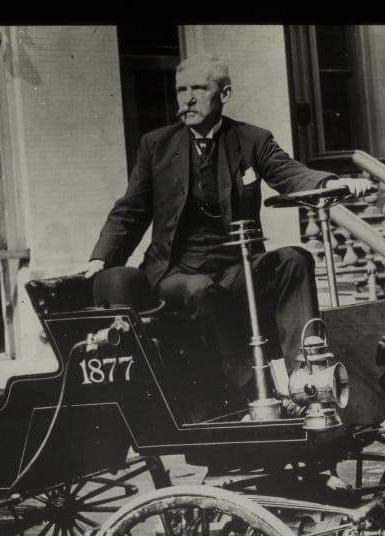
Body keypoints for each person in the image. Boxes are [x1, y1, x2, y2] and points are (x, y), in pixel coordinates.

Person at [84, 54, 370, 389]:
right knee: (200, 289)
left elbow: (289, 173)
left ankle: (305, 375)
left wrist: (327, 183)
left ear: (224, 94)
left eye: (199, 89)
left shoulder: (252, 140)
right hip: (175, 272)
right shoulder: (156, 145)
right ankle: (244, 385)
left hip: (237, 267)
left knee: (296, 259)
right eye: (181, 90)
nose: (187, 99)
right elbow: (130, 209)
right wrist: (101, 258)